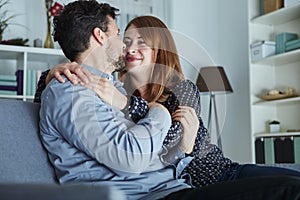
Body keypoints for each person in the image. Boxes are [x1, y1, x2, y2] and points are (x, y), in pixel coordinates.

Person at [38, 1, 300, 199]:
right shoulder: (94, 88)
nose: (128, 48)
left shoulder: (173, 88)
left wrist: (130, 105)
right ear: (99, 36)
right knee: (289, 189)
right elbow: (153, 151)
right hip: (169, 188)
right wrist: (51, 74)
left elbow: (170, 143)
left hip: (217, 173)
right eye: (123, 38)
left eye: (140, 43)